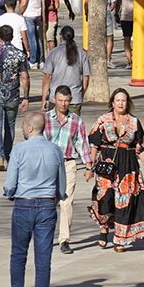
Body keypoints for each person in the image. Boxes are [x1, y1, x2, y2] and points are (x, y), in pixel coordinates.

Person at [3, 112, 64, 287]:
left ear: (29, 128)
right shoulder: (55, 150)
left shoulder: (19, 150)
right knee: (43, 258)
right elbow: (61, 186)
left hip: (23, 204)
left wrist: (10, 193)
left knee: (19, 255)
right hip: (47, 205)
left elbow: (10, 184)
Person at [88, 88, 144, 251]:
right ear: (112, 103)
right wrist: (90, 166)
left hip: (127, 165)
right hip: (107, 164)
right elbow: (94, 143)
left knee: (124, 201)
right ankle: (104, 226)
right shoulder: (103, 120)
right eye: (118, 100)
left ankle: (120, 239)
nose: (121, 103)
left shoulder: (134, 122)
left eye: (124, 100)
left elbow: (140, 147)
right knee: (105, 198)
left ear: (128, 103)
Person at [45, 87, 91, 254]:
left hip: (68, 163)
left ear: (70, 100)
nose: (63, 104)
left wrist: (88, 165)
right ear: (54, 100)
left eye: (66, 101)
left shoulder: (76, 121)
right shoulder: (45, 119)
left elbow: (82, 143)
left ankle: (64, 239)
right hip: (49, 165)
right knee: (49, 202)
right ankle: (46, 236)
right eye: (60, 100)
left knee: (67, 202)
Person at [0, 25, 30, 169]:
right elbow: (25, 77)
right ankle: (8, 154)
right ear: (13, 35)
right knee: (10, 125)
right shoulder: (19, 54)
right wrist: (26, 97)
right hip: (12, 94)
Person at [39, 25, 90, 108]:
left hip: (56, 98)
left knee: (55, 121)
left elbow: (47, 77)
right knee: (73, 121)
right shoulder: (82, 53)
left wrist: (44, 99)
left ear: (61, 36)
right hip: (74, 97)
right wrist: (81, 94)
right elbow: (86, 78)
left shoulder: (53, 53)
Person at [14, 0, 45, 68]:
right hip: (38, 12)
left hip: (29, 13)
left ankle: (33, 60)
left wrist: (20, 12)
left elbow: (24, 1)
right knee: (38, 37)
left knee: (31, 38)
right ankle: (41, 59)